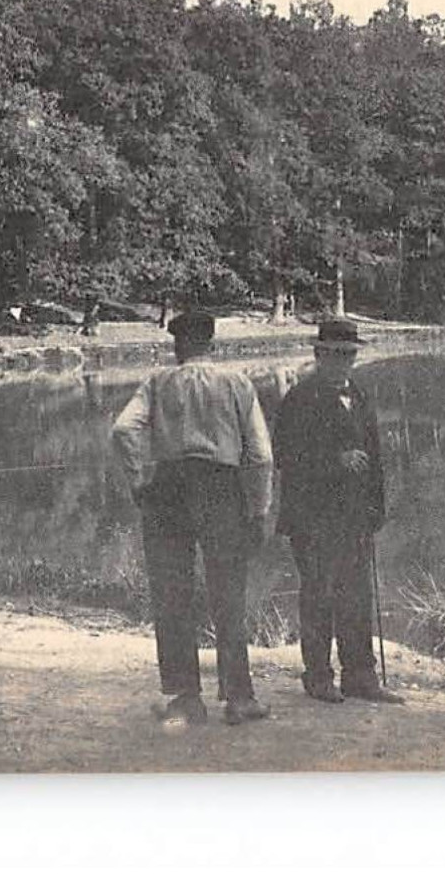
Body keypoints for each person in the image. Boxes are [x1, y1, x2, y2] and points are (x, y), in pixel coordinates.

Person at [111, 309, 274, 727]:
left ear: (178, 346)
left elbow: (123, 430)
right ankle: (238, 698)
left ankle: (186, 697)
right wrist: (258, 509)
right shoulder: (237, 383)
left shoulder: (157, 382)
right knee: (228, 593)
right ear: (213, 345)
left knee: (172, 594)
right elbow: (260, 455)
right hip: (221, 488)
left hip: (168, 487)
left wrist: (139, 479)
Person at [273, 318, 404, 705]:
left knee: (357, 595)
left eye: (349, 355)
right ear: (318, 355)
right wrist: (336, 460)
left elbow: (375, 456)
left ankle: (360, 676)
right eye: (334, 355)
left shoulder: (360, 394)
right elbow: (285, 457)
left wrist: (376, 508)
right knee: (319, 595)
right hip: (313, 519)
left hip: (354, 517)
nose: (343, 362)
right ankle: (317, 677)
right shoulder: (299, 398)